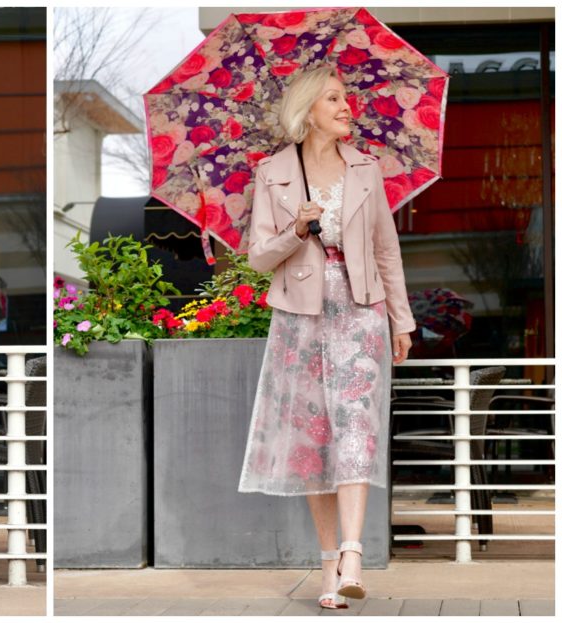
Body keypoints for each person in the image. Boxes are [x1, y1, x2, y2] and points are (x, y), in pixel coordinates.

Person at [237, 65, 415, 609]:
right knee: (316, 439)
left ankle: (355, 553)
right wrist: (296, 229)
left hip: (361, 310)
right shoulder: (272, 173)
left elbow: (386, 249)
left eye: (346, 98)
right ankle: (327, 566)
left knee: (357, 425)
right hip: (300, 316)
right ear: (307, 109)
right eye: (334, 99)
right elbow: (256, 258)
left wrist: (401, 320)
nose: (346, 107)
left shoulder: (366, 169)